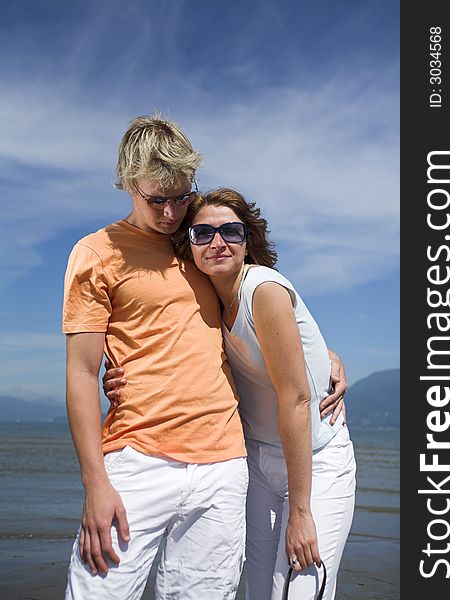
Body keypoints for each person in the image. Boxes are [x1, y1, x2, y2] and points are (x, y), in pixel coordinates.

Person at [62, 114, 347, 600]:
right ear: (129, 183)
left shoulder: (199, 245)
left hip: (226, 465)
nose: (171, 213)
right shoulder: (97, 253)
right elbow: (83, 371)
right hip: (139, 458)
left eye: (181, 196)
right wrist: (95, 483)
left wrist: (327, 358)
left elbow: (260, 312)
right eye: (157, 200)